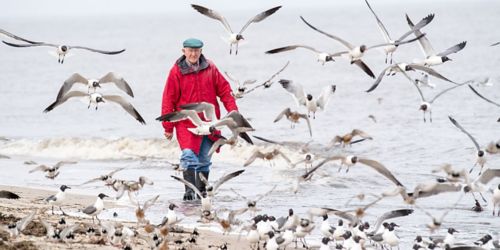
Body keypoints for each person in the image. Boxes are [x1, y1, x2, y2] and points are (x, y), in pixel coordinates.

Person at [161, 38, 238, 201]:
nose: (193, 53)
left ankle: (202, 194)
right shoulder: (176, 72)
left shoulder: (210, 68)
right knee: (188, 155)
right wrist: (167, 127)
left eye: (196, 50)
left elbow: (225, 90)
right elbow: (168, 99)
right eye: (190, 50)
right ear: (184, 51)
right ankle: (189, 193)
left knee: (204, 159)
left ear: (201, 51)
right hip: (186, 123)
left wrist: (233, 112)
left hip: (210, 123)